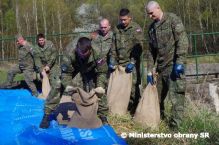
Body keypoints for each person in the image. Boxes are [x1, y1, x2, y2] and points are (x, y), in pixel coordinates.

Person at [40, 37, 108, 128]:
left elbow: (102, 72)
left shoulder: (99, 52)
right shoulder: (69, 51)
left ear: (90, 50)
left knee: (100, 89)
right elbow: (66, 73)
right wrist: (69, 87)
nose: (82, 55)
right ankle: (46, 115)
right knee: (58, 84)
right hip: (74, 66)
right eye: (80, 53)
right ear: (76, 48)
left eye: (85, 54)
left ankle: (103, 115)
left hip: (90, 67)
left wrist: (100, 86)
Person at [146, 1, 189, 128]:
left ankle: (176, 128)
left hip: (173, 66)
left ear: (158, 8)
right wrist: (149, 70)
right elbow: (150, 52)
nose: (150, 16)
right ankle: (159, 122)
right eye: (148, 14)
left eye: (151, 13)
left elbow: (182, 41)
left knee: (176, 99)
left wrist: (180, 62)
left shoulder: (172, 20)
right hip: (160, 68)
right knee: (156, 99)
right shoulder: (151, 29)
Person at [110, 8, 144, 114]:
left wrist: (133, 62)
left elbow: (139, 47)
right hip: (119, 64)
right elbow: (113, 46)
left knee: (134, 88)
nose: (123, 22)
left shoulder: (136, 28)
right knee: (120, 88)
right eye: (121, 20)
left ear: (130, 18)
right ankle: (122, 109)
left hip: (131, 64)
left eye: (125, 20)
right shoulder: (117, 29)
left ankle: (135, 111)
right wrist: (112, 59)